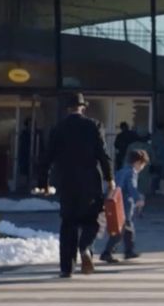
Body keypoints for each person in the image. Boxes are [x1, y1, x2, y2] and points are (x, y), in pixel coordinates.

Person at [46, 92, 114, 279]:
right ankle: (85, 247)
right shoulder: (93, 125)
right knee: (91, 220)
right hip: (90, 181)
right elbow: (102, 153)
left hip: (67, 183)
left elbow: (47, 157)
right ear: (83, 107)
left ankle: (66, 268)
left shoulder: (58, 128)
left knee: (68, 223)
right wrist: (110, 177)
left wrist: (42, 181)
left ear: (67, 108)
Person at [100, 147, 148, 263]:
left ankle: (128, 251)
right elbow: (131, 187)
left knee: (125, 230)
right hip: (124, 205)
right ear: (138, 163)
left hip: (116, 203)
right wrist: (138, 198)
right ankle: (108, 252)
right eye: (142, 165)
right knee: (122, 230)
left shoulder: (121, 171)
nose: (142, 168)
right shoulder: (131, 173)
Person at [149, 122, 164, 196]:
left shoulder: (157, 136)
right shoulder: (161, 137)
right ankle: (162, 191)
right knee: (161, 175)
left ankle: (157, 190)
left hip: (160, 159)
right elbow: (158, 149)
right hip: (161, 159)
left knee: (158, 175)